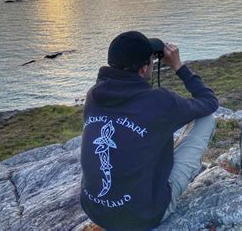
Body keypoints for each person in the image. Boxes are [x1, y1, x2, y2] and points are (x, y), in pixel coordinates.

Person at [80, 31, 218, 229]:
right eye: (152, 61)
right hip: (144, 217)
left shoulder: (93, 95)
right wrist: (178, 66)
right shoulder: (160, 101)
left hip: (95, 211)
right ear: (144, 69)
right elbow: (209, 101)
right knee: (206, 119)